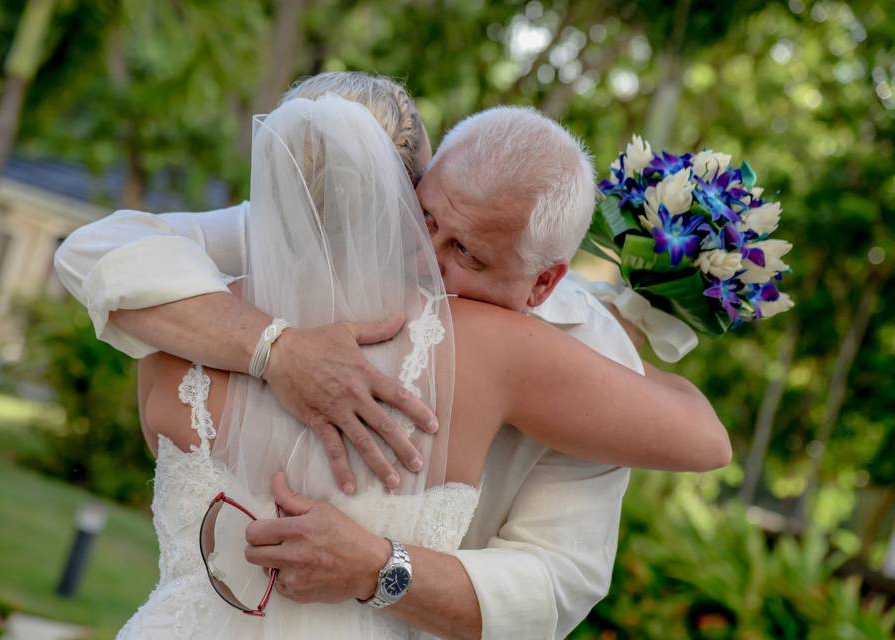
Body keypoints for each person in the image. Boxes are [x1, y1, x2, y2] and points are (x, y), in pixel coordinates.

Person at [55, 73, 730, 640]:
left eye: (464, 251)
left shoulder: (169, 318)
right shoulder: (236, 269)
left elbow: (557, 582)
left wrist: (383, 569)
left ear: (545, 282)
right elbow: (90, 252)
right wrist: (276, 350)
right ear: (403, 191)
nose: (424, 263)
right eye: (422, 218)